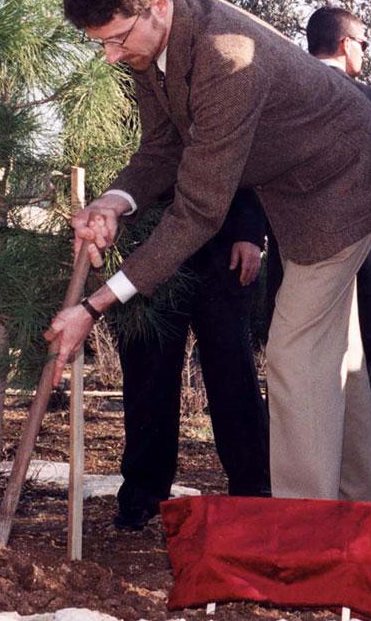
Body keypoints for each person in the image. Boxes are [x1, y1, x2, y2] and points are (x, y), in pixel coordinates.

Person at [46, 0, 371, 505]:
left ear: (157, 5)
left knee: (293, 358)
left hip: (345, 185)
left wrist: (96, 304)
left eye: (115, 41)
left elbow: (198, 213)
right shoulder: (154, 42)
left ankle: (303, 539)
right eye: (100, 45)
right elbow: (162, 146)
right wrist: (116, 199)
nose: (110, 57)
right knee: (338, 357)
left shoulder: (223, 57)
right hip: (299, 192)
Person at [262, 6, 371, 429]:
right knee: (361, 368)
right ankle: (361, 475)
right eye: (365, 44)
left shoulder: (280, 99)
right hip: (367, 255)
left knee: (300, 363)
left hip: (295, 252)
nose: (366, 54)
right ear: (345, 43)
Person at [112, 188, 270, 530]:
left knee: (234, 375)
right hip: (151, 248)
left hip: (222, 247)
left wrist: (250, 233)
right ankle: (143, 493)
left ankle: (253, 490)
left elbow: (249, 167)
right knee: (146, 377)